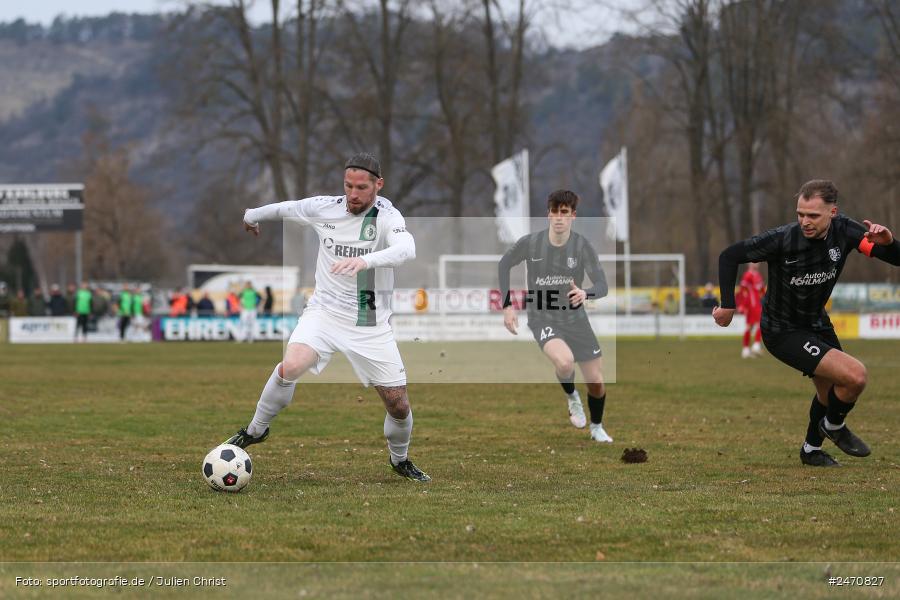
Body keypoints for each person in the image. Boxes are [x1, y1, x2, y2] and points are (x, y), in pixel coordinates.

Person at [225, 152, 429, 482]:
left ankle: (399, 459)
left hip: (369, 323)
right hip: (324, 312)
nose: (353, 194)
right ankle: (255, 430)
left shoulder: (387, 216)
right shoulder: (325, 208)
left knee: (398, 404)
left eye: (361, 187)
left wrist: (366, 261)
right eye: (348, 186)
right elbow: (287, 208)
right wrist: (251, 215)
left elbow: (407, 249)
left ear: (378, 185)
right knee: (291, 366)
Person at [714, 180, 900, 467]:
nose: (805, 221)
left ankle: (811, 450)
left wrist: (889, 243)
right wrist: (728, 305)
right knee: (855, 377)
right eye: (800, 214)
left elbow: (895, 258)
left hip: (816, 323)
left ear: (832, 212)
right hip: (782, 330)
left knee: (830, 393)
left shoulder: (846, 232)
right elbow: (730, 256)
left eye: (813, 215)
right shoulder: (782, 239)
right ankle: (834, 426)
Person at [498, 190, 612, 443]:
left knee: (595, 381)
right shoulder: (531, 243)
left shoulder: (582, 246)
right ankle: (572, 398)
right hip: (542, 317)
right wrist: (507, 305)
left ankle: (596, 427)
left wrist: (586, 293)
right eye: (555, 212)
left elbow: (602, 285)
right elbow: (504, 264)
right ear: (548, 214)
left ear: (573, 216)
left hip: (576, 319)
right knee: (565, 362)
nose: (559, 217)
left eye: (565, 212)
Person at [736, 263, 765, 358]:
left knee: (752, 326)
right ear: (749, 264)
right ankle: (755, 346)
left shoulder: (758, 275)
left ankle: (746, 349)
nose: (756, 263)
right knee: (757, 324)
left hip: (757, 303)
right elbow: (742, 290)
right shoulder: (747, 275)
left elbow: (761, 291)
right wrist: (742, 305)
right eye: (754, 262)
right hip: (751, 304)